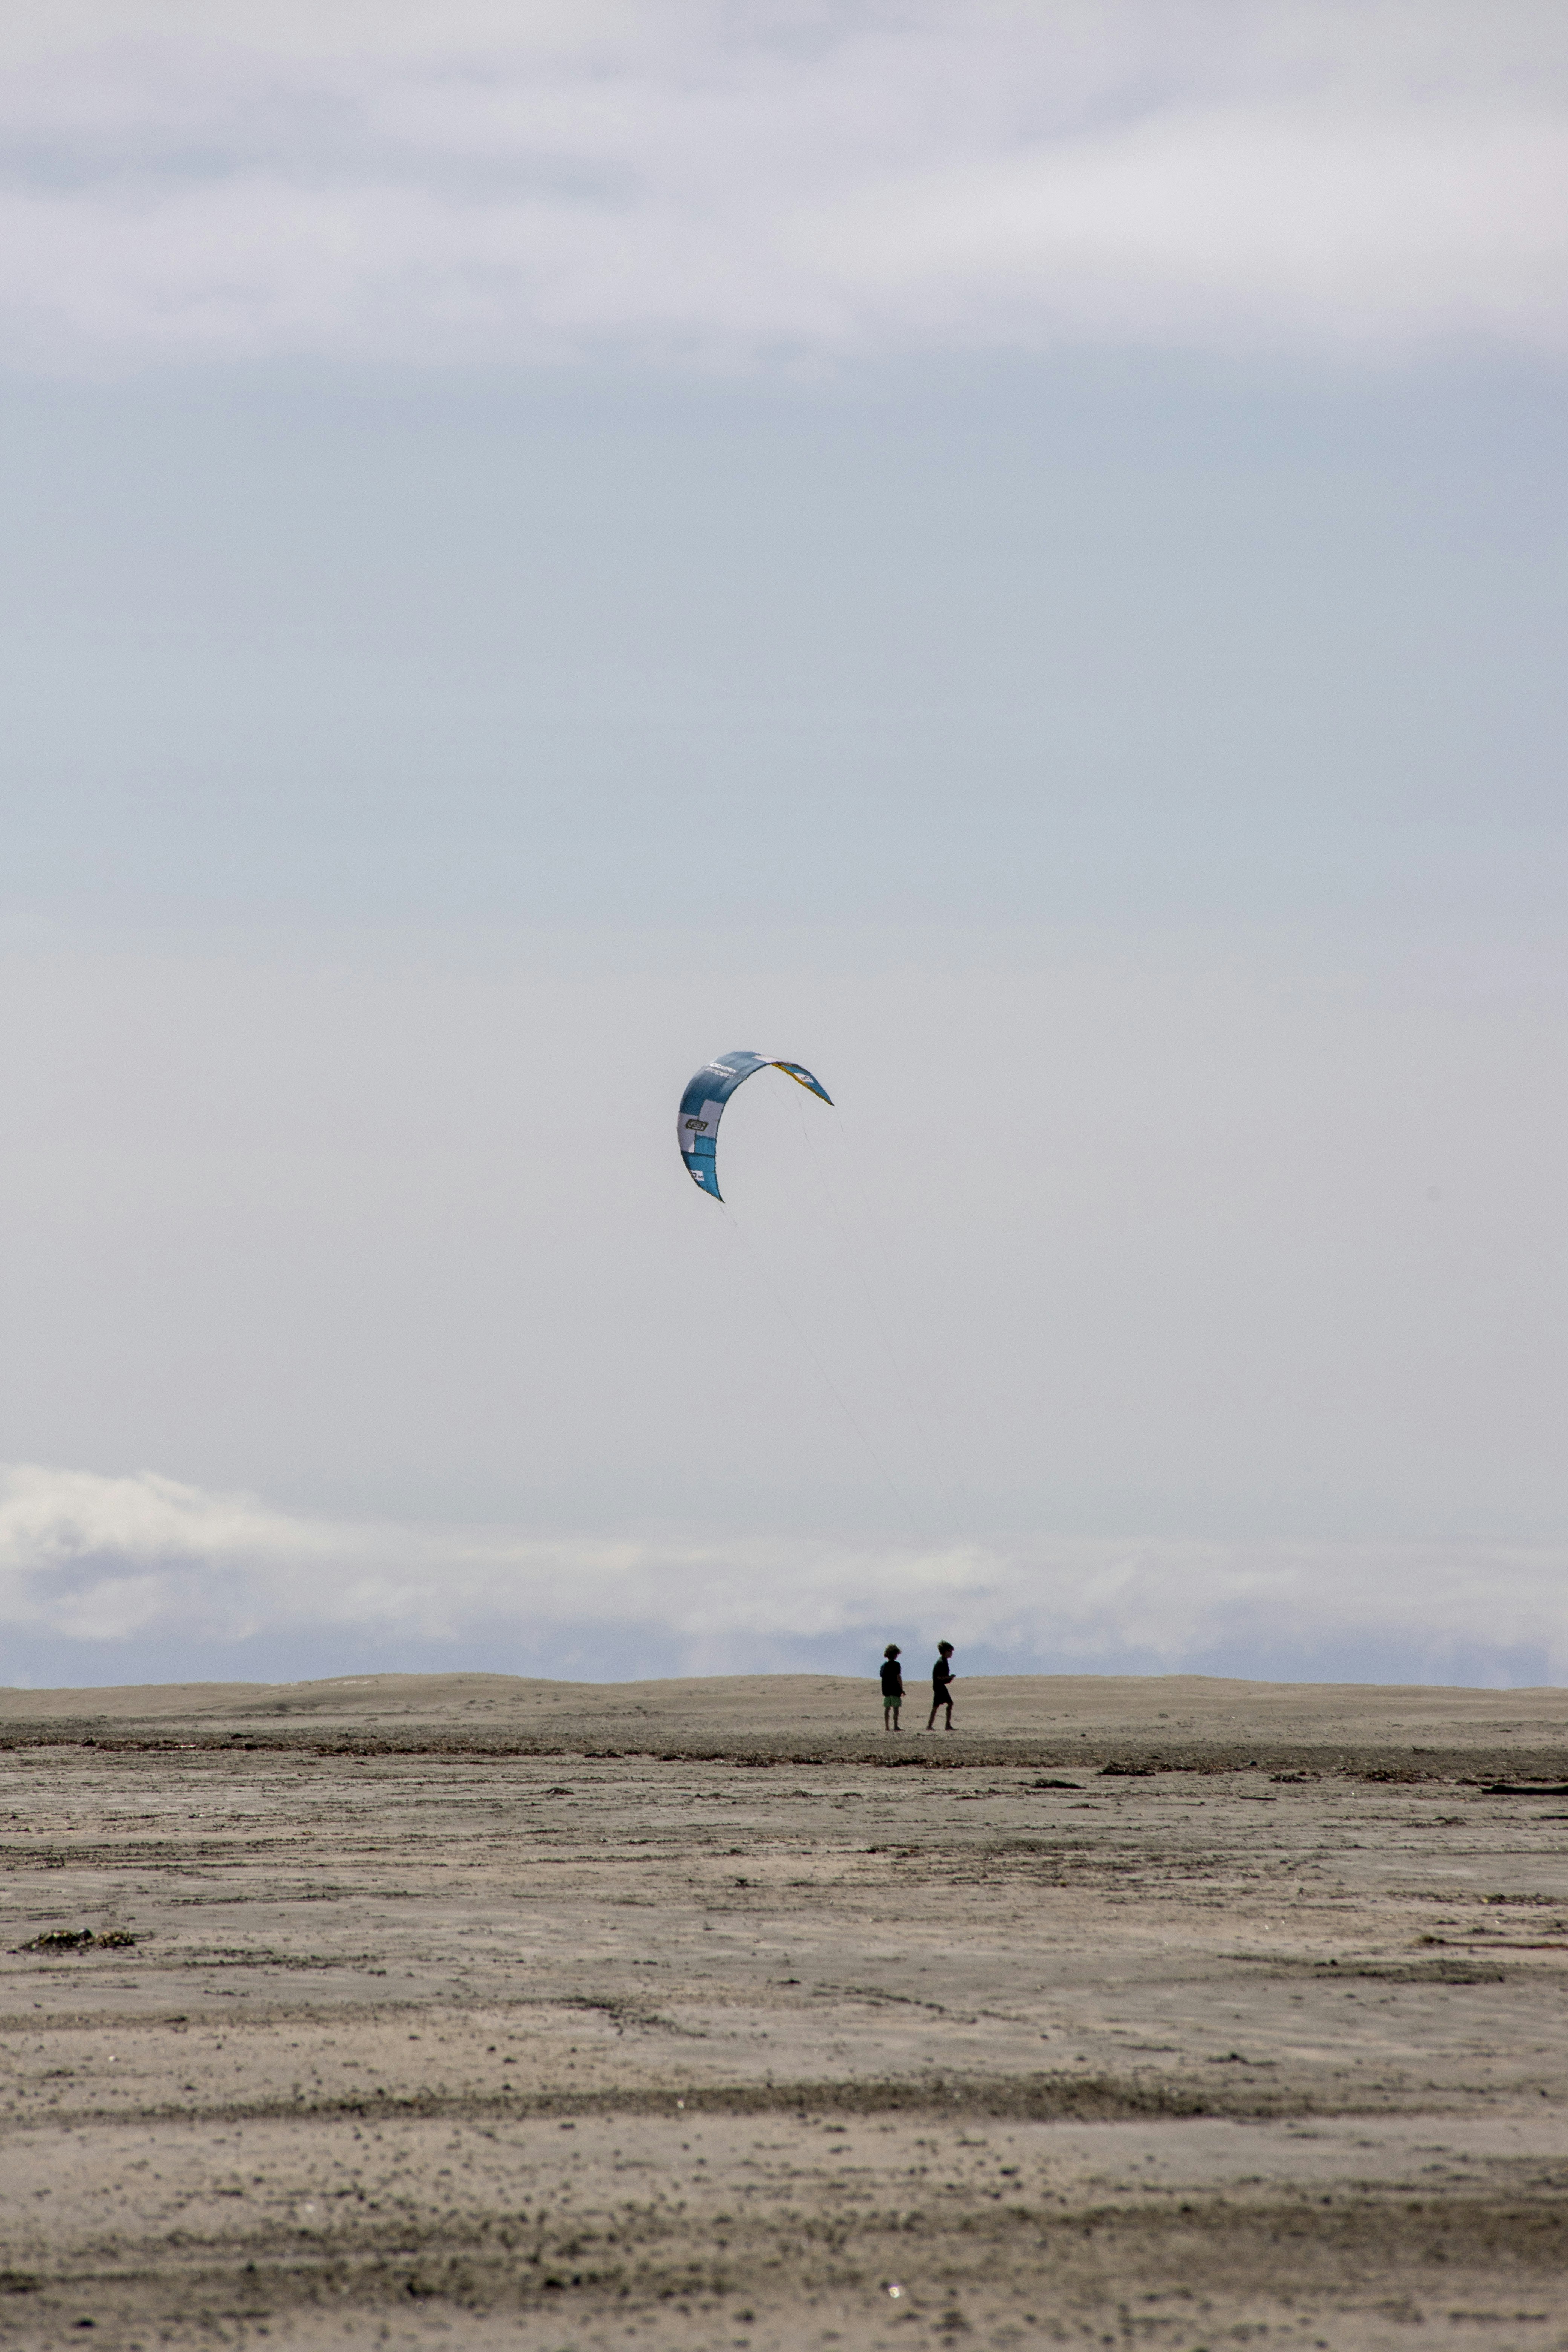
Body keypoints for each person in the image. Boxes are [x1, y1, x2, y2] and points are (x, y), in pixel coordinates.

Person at [926, 1640, 956, 1732]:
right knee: (939, 1706)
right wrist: (949, 1677)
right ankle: (932, 1726)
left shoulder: (944, 1662)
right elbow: (939, 1677)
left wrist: (949, 1679)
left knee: (944, 1705)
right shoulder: (941, 1662)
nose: (951, 1654)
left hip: (940, 1686)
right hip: (939, 1687)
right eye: (950, 1651)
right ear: (946, 1651)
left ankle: (946, 1725)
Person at [879, 1644, 905, 1731]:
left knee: (887, 1708)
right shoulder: (897, 1665)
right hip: (895, 1690)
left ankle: (887, 1727)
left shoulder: (884, 1666)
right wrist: (902, 1689)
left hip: (886, 1690)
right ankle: (896, 1726)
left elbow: (882, 1676)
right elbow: (899, 1677)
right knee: (896, 1708)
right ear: (894, 1654)